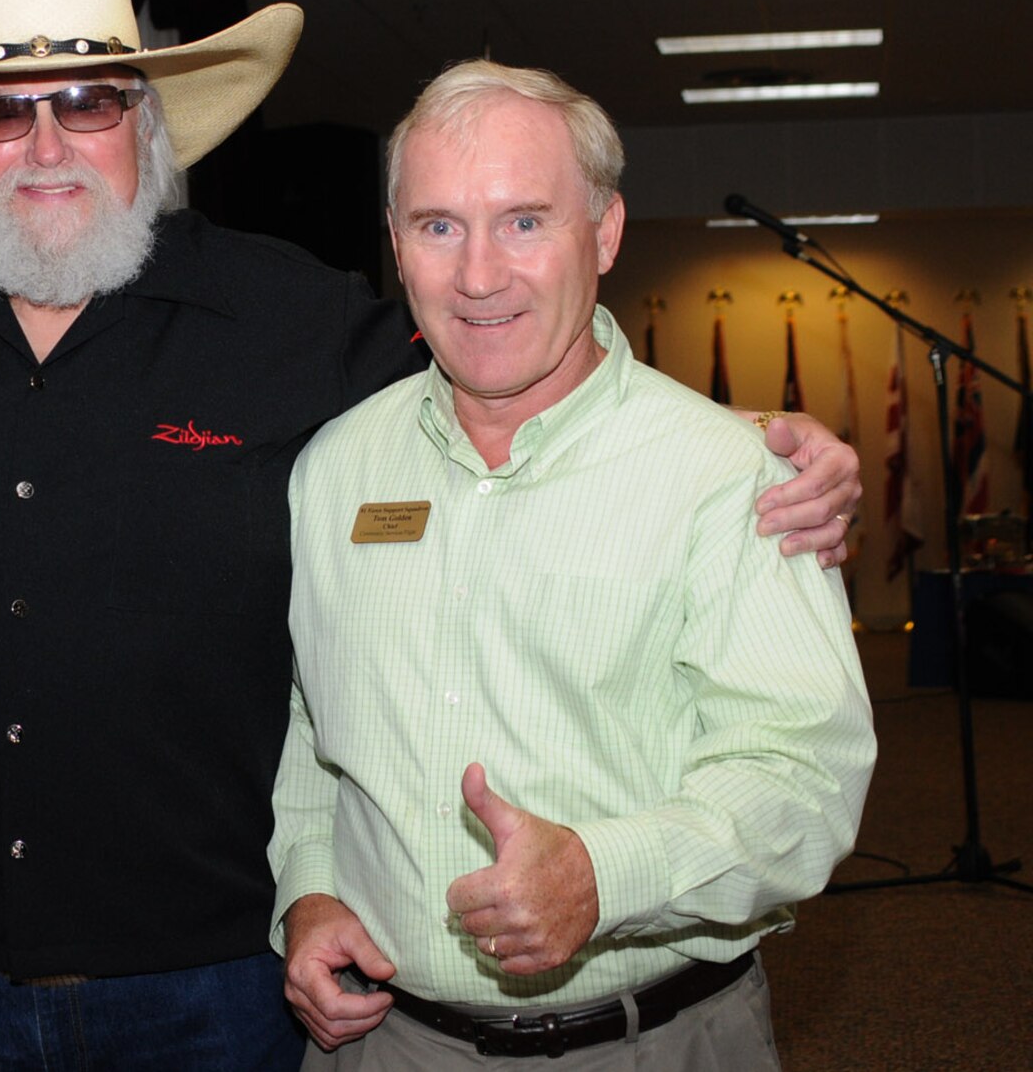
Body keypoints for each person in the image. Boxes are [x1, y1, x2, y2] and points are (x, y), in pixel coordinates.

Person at [0, 0, 860, 1069]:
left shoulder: (297, 324)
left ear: (146, 121)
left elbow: (501, 353)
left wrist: (734, 438)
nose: (45, 147)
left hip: (210, 987)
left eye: (86, 101)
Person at [272, 60, 878, 1068]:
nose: (477, 274)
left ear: (600, 233)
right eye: (436, 225)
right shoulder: (333, 470)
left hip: (655, 1041)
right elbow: (305, 725)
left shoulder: (730, 476)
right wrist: (309, 888)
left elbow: (803, 776)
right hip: (385, 1049)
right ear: (394, 243)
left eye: (522, 221)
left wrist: (606, 872)